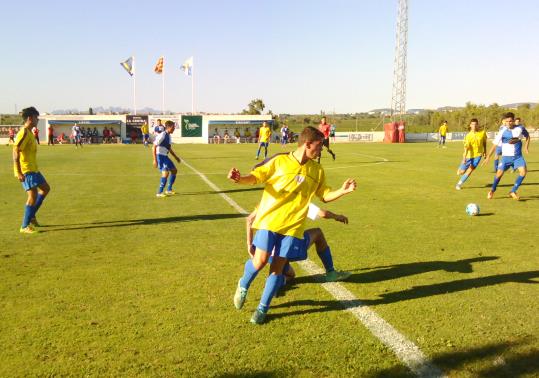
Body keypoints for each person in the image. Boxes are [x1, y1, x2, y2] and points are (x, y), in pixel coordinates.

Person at [228, 126, 357, 324]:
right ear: (307, 144)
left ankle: (262, 309)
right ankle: (243, 284)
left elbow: (324, 196)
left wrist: (342, 191)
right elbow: (256, 176)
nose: (321, 150)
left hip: (293, 227)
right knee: (260, 261)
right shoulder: (279, 160)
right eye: (319, 146)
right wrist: (240, 179)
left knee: (277, 269)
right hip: (269, 220)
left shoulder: (317, 170)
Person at [245, 203, 352, 292]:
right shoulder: (299, 198)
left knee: (291, 275)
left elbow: (249, 220)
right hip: (288, 247)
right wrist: (336, 216)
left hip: (266, 252)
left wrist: (250, 245)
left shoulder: (268, 199)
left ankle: (277, 281)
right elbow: (323, 213)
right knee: (318, 233)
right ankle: (331, 272)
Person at [13, 107, 51, 234]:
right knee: (32, 195)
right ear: (30, 118)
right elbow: (16, 151)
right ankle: (24, 226)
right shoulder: (23, 132)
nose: (38, 119)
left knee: (45, 188)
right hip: (26, 170)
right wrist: (18, 171)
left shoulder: (30, 132)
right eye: (36, 117)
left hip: (34, 169)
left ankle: (32, 215)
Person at [483, 112, 530, 200]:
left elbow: (528, 136)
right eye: (507, 121)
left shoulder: (520, 128)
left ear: (513, 121)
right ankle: (492, 190)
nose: (509, 123)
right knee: (499, 175)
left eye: (511, 121)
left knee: (523, 172)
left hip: (518, 157)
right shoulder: (502, 131)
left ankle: (513, 191)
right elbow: (494, 145)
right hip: (506, 158)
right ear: (505, 121)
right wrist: (488, 156)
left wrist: (526, 147)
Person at [455, 119, 486, 190]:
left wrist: (485, 152)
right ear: (470, 125)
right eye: (472, 124)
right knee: (462, 172)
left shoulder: (482, 133)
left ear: (478, 125)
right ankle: (460, 169)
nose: (474, 126)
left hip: (478, 156)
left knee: (470, 170)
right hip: (468, 156)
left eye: (475, 124)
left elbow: (484, 142)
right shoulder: (468, 136)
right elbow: (466, 149)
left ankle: (459, 184)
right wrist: (464, 159)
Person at [153, 120, 181, 197]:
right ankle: (159, 192)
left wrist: (176, 157)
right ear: (168, 127)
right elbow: (154, 147)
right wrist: (155, 160)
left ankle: (169, 190)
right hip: (160, 156)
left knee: (174, 171)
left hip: (165, 156)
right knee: (165, 173)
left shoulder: (169, 136)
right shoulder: (162, 135)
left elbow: (169, 148)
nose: (174, 129)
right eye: (173, 128)